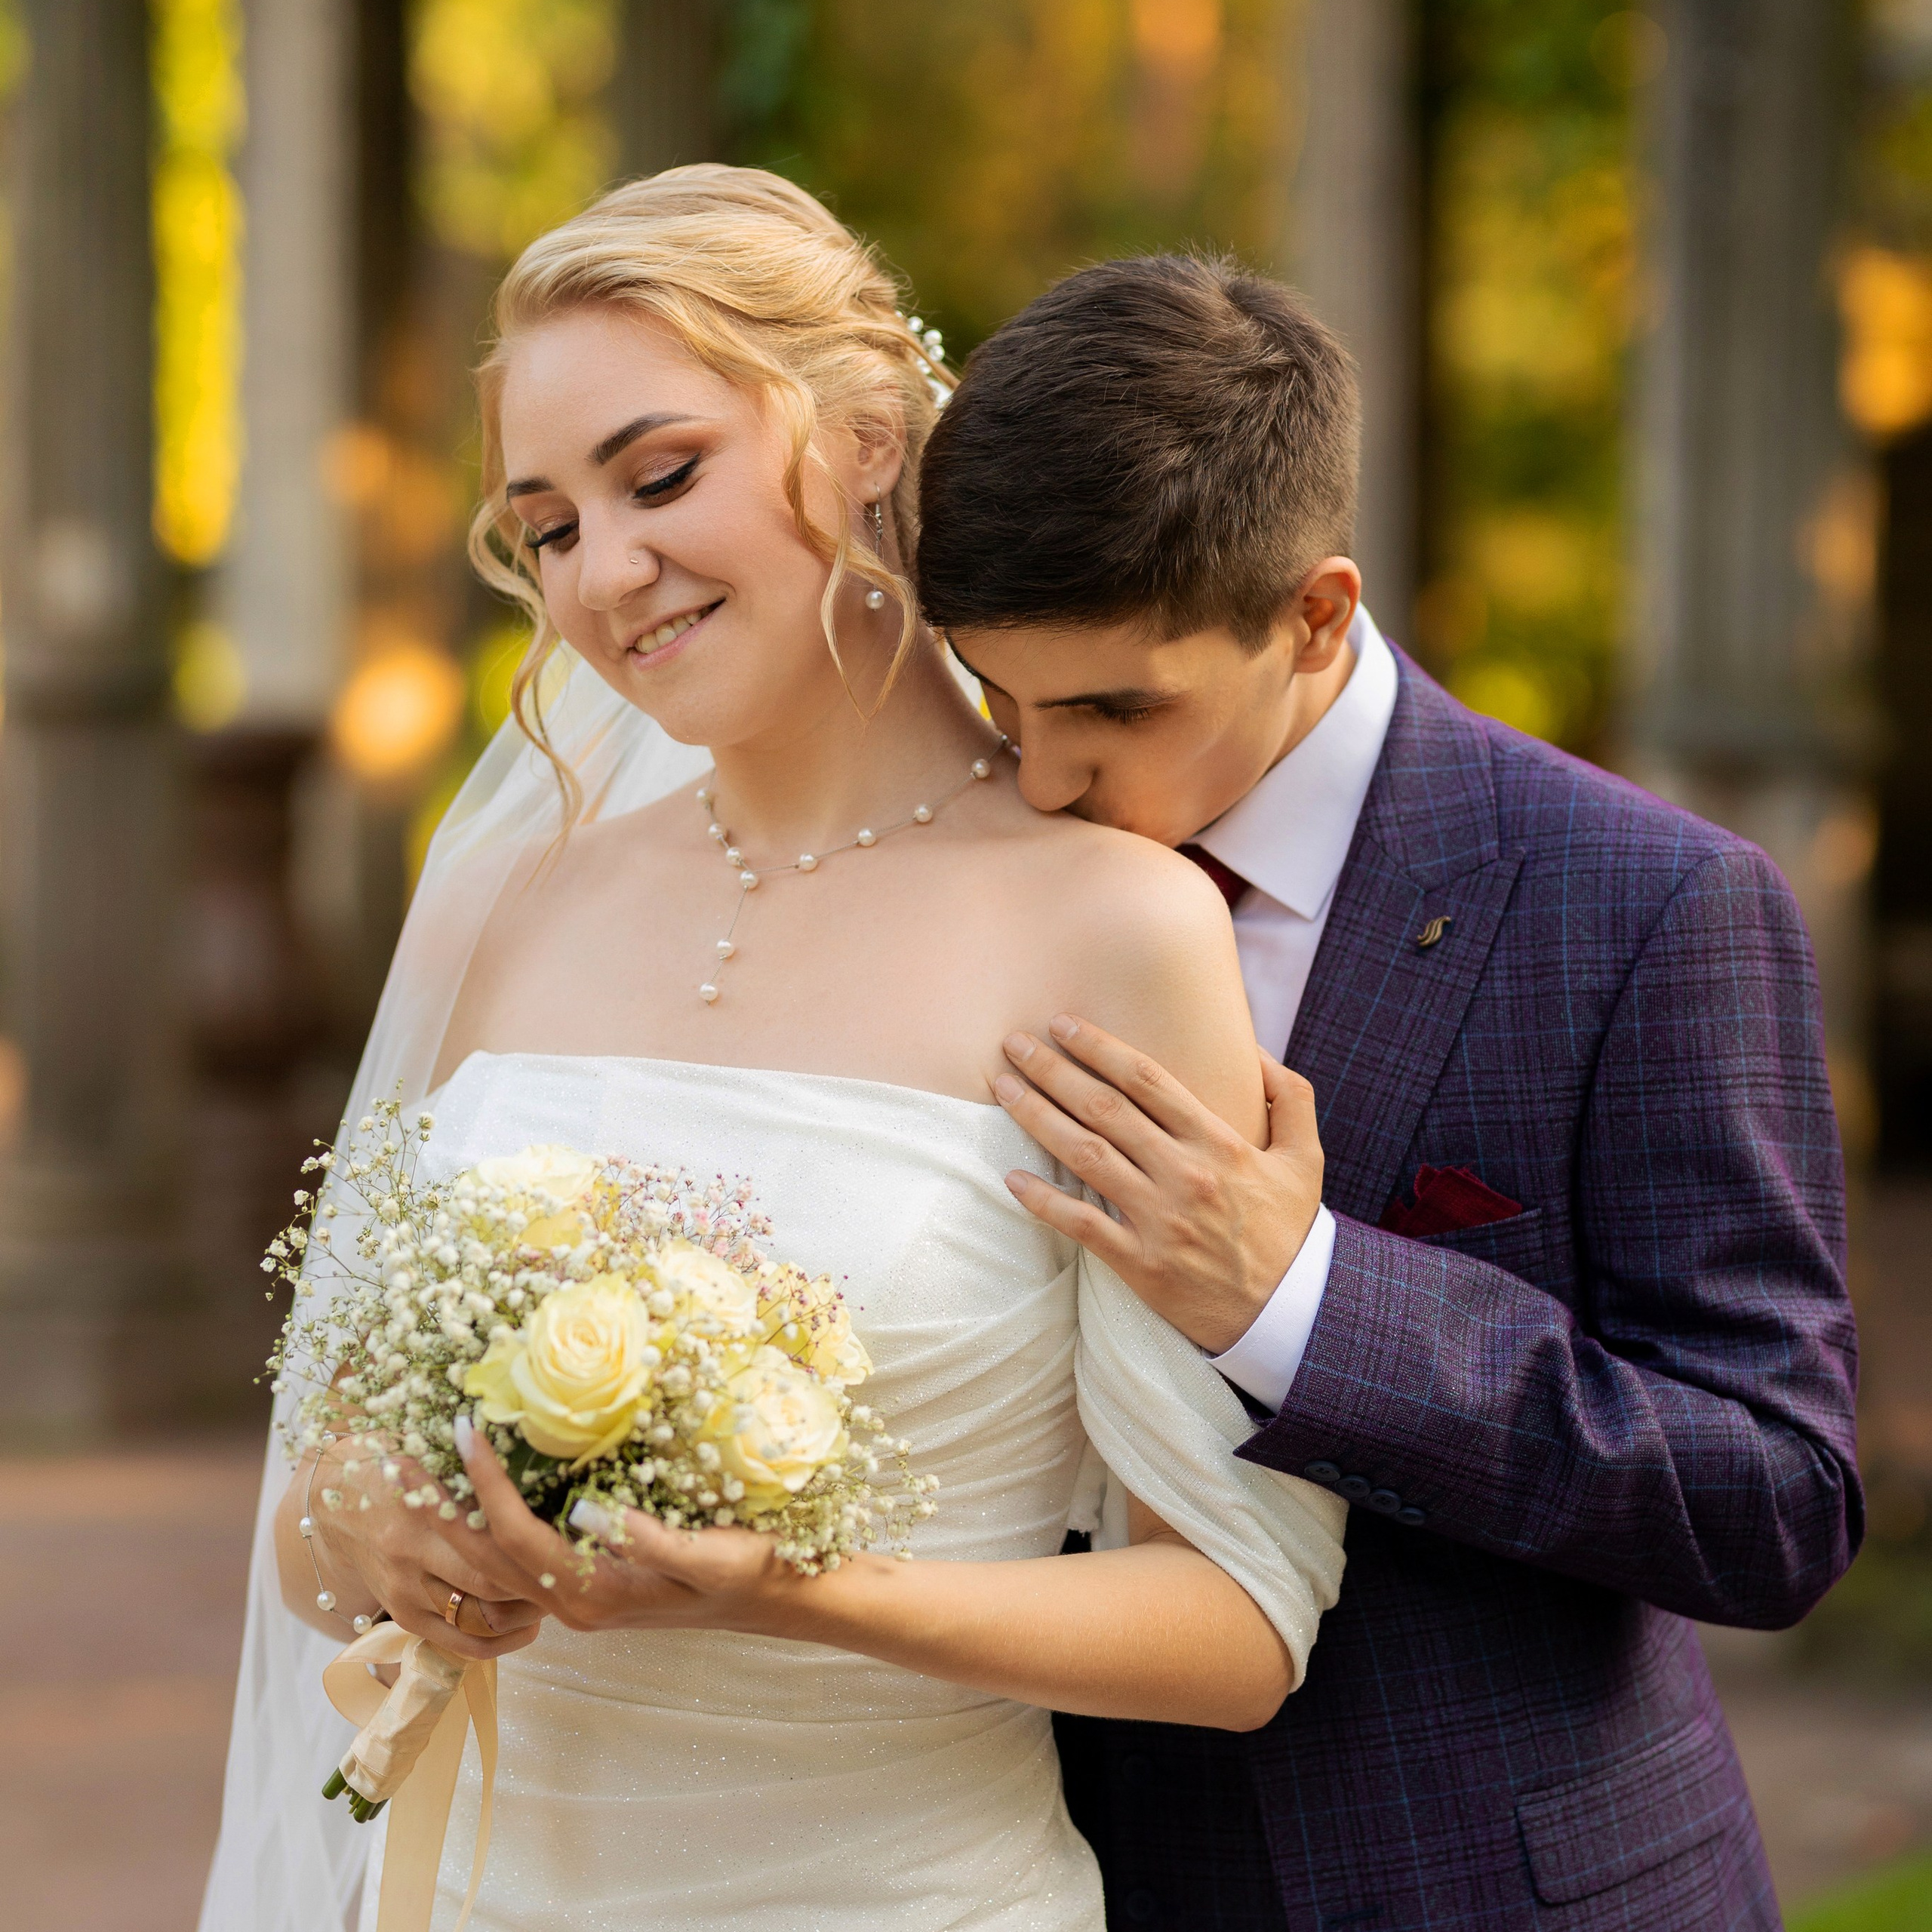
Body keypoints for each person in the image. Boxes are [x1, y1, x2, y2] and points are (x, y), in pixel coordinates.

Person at [198, 171, 1349, 1932]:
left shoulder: (1113, 924)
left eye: (660, 478)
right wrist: (377, 1529)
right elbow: (312, 1513)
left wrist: (804, 1590)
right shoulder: (506, 896)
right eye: (547, 527)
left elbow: (1233, 1624)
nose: (606, 573)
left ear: (869, 433)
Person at [915, 254, 1863, 1931]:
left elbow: (1773, 1499)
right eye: (1000, 697)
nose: (1041, 774)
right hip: (1051, 1871)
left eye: (1112, 707)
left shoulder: (1644, 906)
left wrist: (1301, 1298)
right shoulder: (944, 875)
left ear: (1315, 613)